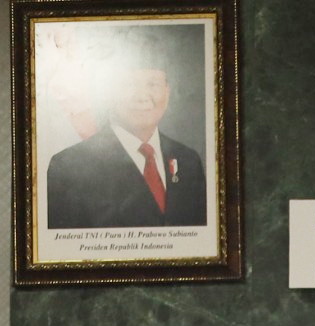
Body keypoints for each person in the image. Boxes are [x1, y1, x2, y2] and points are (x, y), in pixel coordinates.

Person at [44, 37, 210, 228]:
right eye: (129, 84)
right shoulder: (68, 167)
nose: (142, 97)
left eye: (153, 84)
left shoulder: (188, 161)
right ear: (109, 92)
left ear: (168, 91)